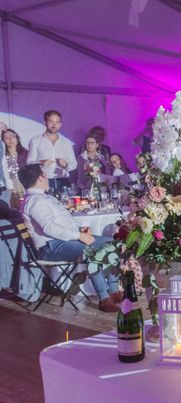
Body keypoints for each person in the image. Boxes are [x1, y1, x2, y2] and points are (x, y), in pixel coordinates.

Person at [18, 164, 122, 312]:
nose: (47, 177)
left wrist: (79, 230)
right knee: (91, 252)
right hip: (50, 246)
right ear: (41, 177)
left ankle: (113, 289)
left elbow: (57, 224)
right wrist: (79, 236)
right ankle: (104, 298)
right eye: (45, 174)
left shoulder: (41, 197)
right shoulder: (35, 200)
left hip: (63, 240)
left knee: (112, 244)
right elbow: (50, 228)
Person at [26, 110, 77, 194]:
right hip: (44, 181)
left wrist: (66, 165)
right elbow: (29, 163)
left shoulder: (66, 142)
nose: (54, 125)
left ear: (60, 124)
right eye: (51, 121)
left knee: (65, 206)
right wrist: (41, 162)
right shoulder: (35, 141)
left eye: (57, 122)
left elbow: (74, 164)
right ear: (45, 122)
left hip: (63, 180)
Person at [1, 128, 29, 208]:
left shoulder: (26, 153)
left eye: (13, 136)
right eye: (6, 138)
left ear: (17, 138)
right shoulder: (2, 157)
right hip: (10, 186)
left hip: (24, 184)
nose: (10, 139)